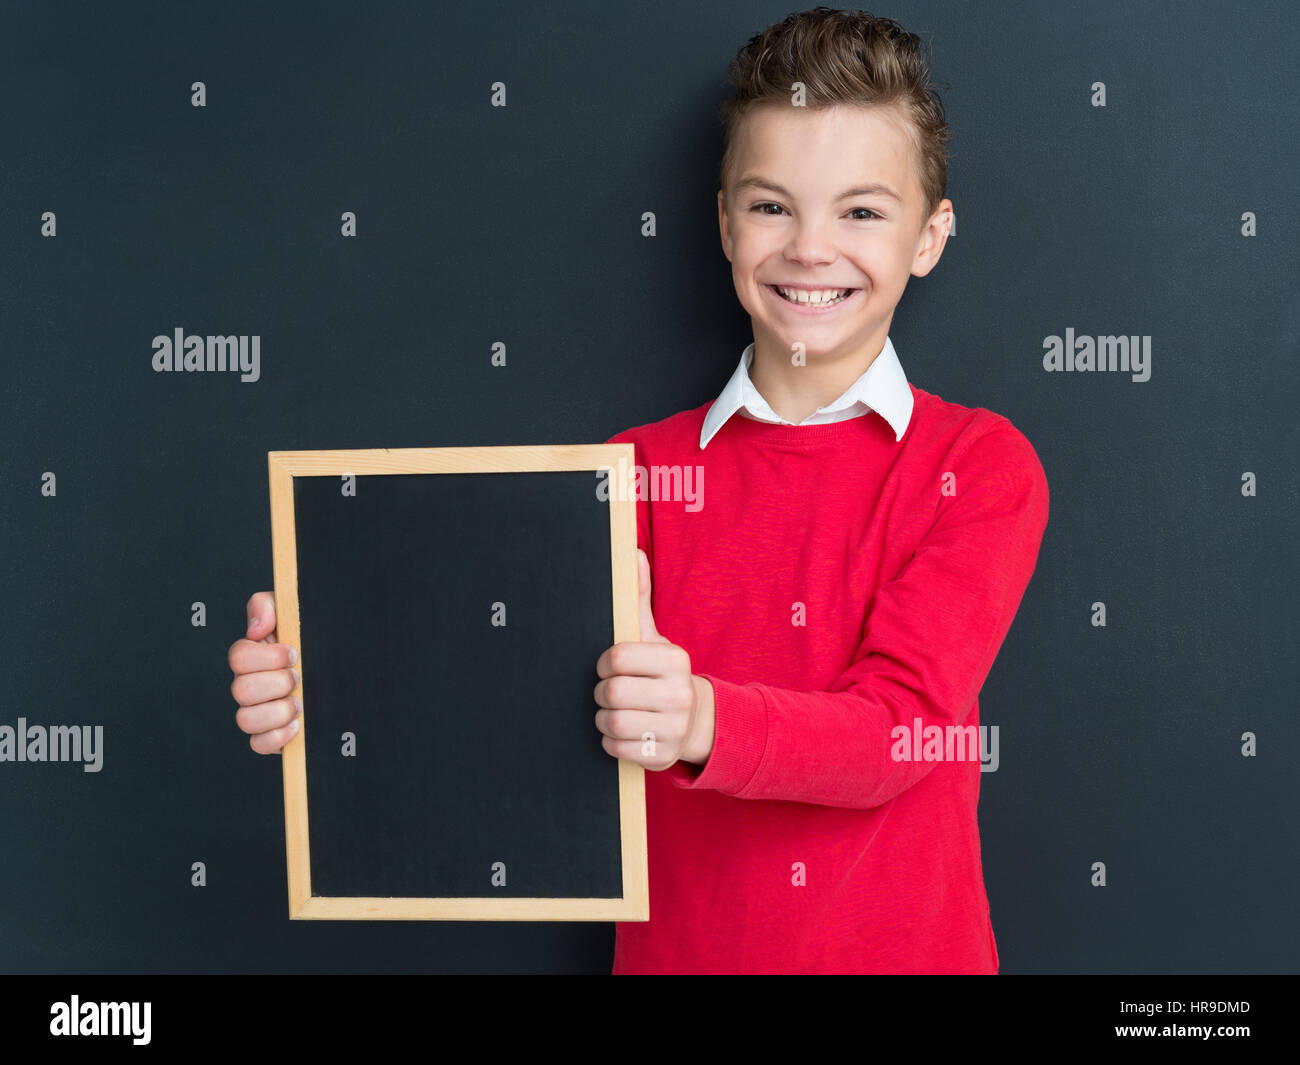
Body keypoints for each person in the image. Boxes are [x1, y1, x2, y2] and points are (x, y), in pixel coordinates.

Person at [228, 8, 1049, 974]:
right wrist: (323, 696)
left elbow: (901, 734)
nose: (810, 248)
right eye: (772, 206)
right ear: (724, 222)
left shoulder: (978, 465)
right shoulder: (632, 473)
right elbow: (500, 699)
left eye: (861, 212)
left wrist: (700, 716)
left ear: (930, 236)